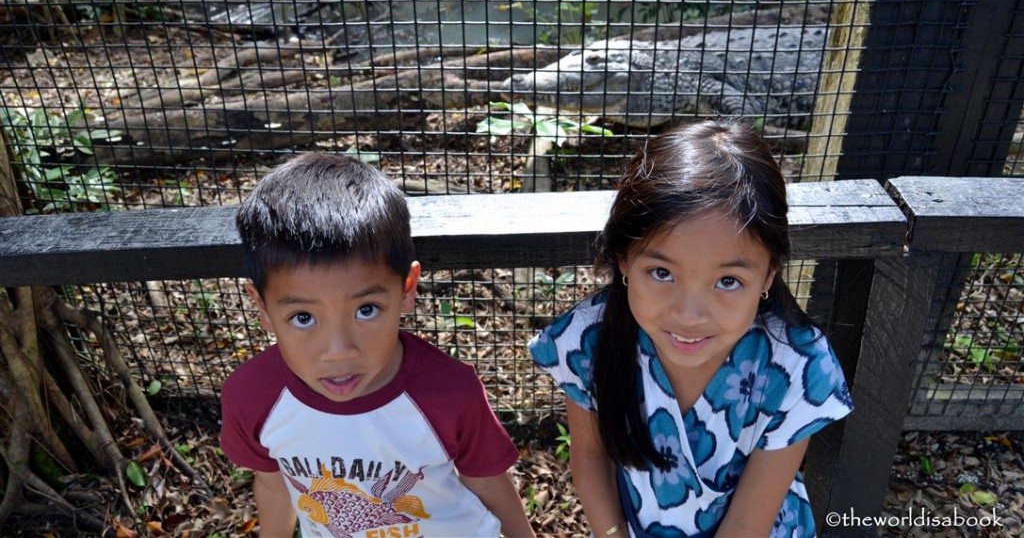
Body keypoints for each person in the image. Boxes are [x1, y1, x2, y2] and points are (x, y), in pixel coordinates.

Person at [529, 119, 853, 537]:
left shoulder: (798, 366)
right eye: (662, 272)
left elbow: (747, 523)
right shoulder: (589, 340)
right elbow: (591, 458)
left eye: (728, 281)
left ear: (769, 275)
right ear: (624, 259)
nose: (689, 314)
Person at [221, 152, 535, 538]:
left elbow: (489, 483)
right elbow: (273, 483)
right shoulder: (251, 396)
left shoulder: (451, 391)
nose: (338, 351)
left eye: (366, 309)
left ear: (406, 289)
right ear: (262, 306)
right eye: (303, 318)